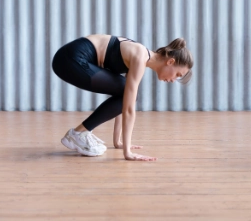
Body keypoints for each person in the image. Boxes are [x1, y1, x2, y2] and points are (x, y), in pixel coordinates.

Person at [51, 35, 193, 161]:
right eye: (178, 75)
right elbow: (129, 109)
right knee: (129, 93)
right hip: (70, 59)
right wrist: (128, 152)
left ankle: (80, 132)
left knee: (125, 91)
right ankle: (78, 133)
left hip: (68, 58)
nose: (174, 80)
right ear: (170, 62)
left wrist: (118, 142)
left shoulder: (140, 55)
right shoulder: (139, 56)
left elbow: (123, 99)